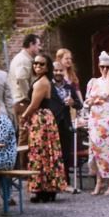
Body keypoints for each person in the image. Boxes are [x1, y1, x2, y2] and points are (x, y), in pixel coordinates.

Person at [19, 50, 67, 203]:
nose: (37, 66)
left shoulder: (41, 82)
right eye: (35, 63)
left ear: (47, 67)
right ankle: (48, 188)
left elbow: (34, 104)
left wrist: (24, 116)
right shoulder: (44, 80)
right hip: (45, 118)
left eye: (41, 64)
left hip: (40, 119)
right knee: (47, 153)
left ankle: (42, 189)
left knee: (40, 153)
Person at [85, 52, 109, 196]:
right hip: (95, 119)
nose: (104, 70)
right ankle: (99, 180)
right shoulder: (93, 82)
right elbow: (87, 100)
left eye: (107, 67)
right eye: (102, 67)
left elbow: (108, 93)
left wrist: (108, 77)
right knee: (95, 149)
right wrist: (94, 100)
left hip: (108, 119)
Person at [50, 56, 83, 187]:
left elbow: (79, 105)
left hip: (66, 124)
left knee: (65, 154)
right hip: (52, 123)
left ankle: (65, 181)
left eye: (60, 70)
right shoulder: (47, 86)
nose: (58, 73)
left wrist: (73, 102)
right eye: (55, 70)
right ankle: (52, 181)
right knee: (52, 154)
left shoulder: (69, 87)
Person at [8, 32, 42, 125]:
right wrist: (30, 98)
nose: (40, 48)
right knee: (25, 135)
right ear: (31, 44)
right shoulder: (23, 60)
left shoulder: (23, 58)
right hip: (23, 102)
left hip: (22, 102)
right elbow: (21, 79)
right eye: (38, 45)